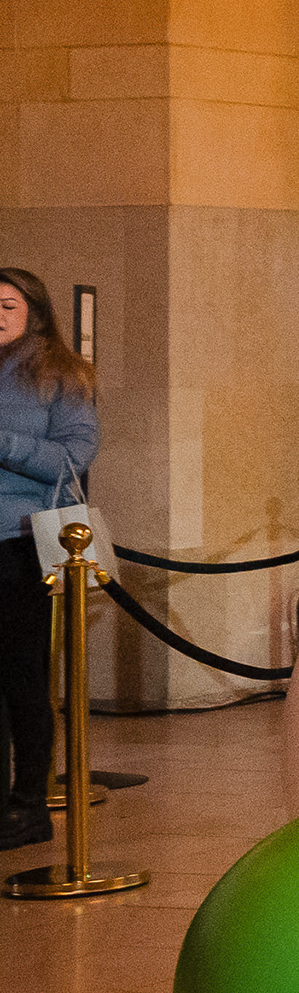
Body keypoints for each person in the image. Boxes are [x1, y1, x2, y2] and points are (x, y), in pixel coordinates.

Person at [0, 269, 100, 850]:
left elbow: (73, 456)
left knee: (22, 679)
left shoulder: (61, 373)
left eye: (6, 304)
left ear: (34, 312)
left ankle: (28, 804)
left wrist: (5, 444)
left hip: (17, 542)